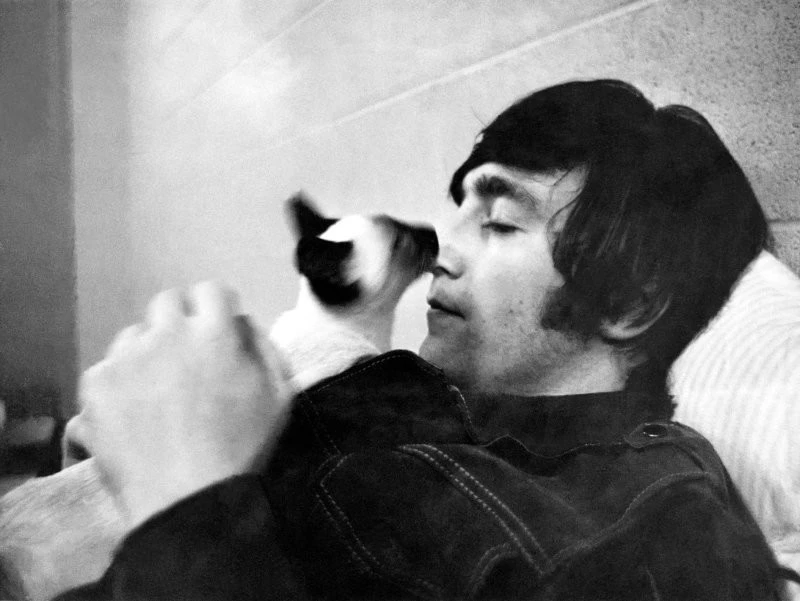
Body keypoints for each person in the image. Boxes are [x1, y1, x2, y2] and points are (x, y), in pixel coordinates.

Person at [58, 80, 794, 600]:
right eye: (459, 209)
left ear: (630, 302)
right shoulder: (400, 388)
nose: (442, 248)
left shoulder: (657, 531)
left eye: (500, 223)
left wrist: (187, 507)